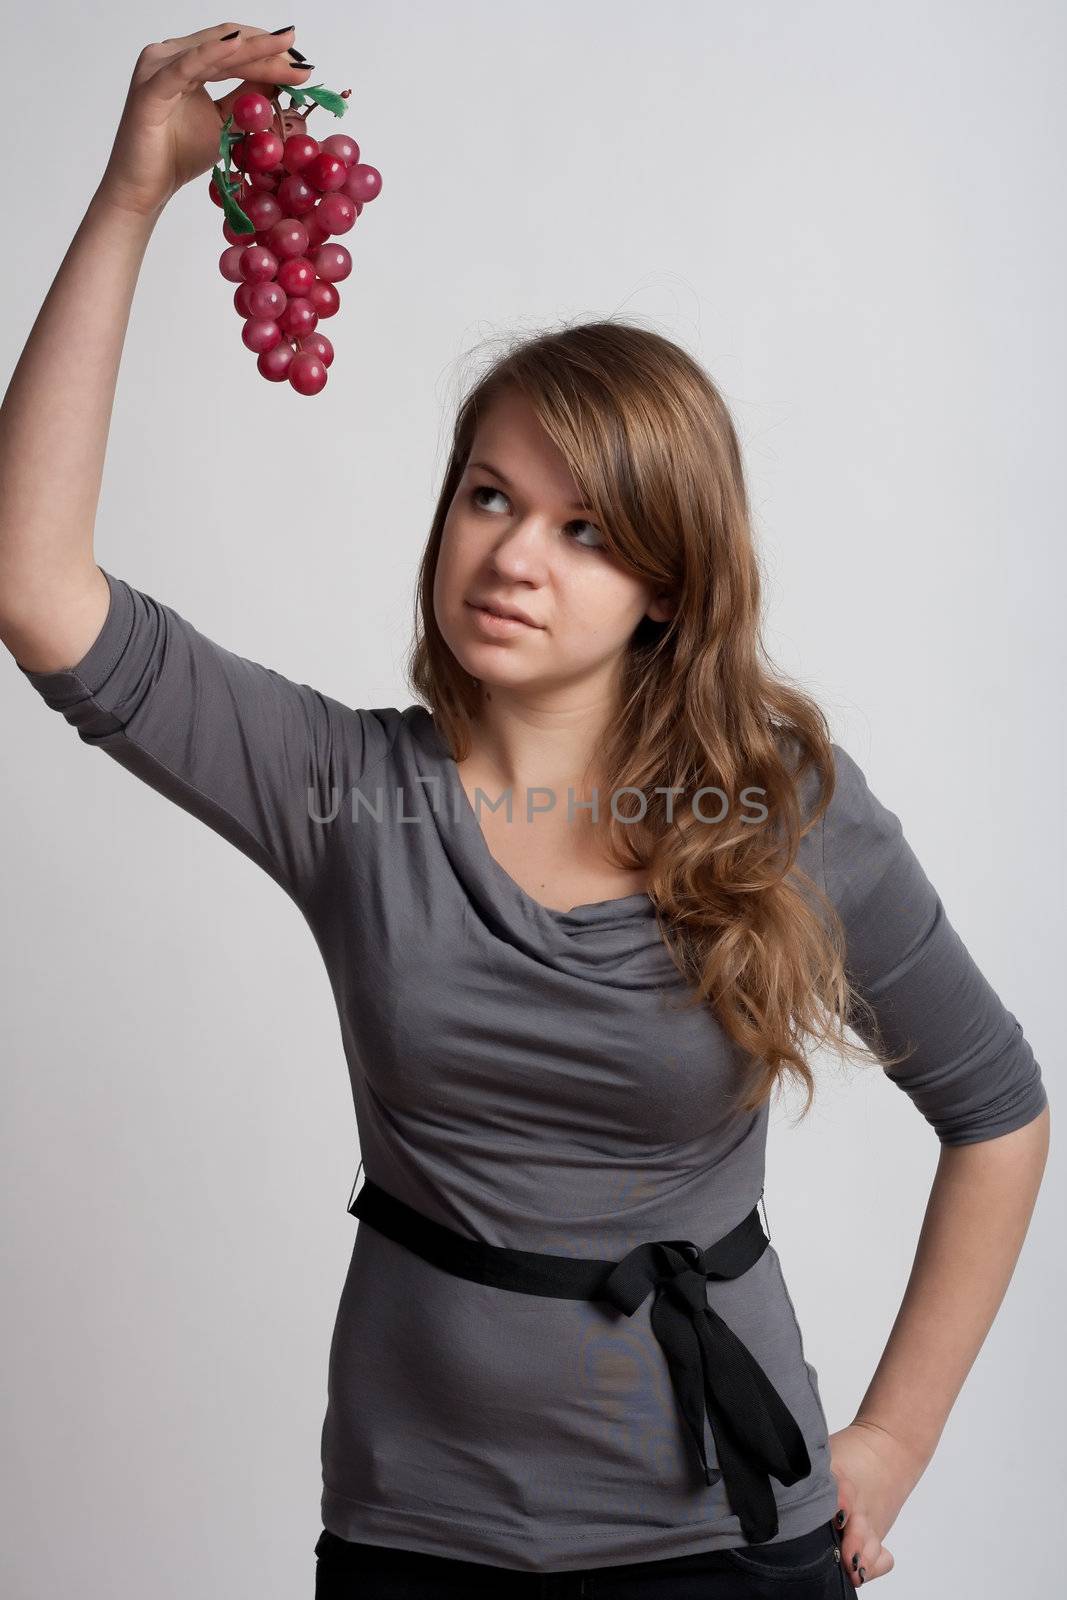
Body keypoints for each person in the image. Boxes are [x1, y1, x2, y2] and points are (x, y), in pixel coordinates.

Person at [0, 22, 1050, 1600]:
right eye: (489, 496)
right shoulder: (350, 791)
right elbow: (37, 591)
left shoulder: (783, 810)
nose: (516, 556)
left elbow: (999, 1109)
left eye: (586, 527)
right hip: (419, 1541)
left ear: (666, 585)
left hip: (727, 1542)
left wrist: (894, 1441)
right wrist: (133, 195)